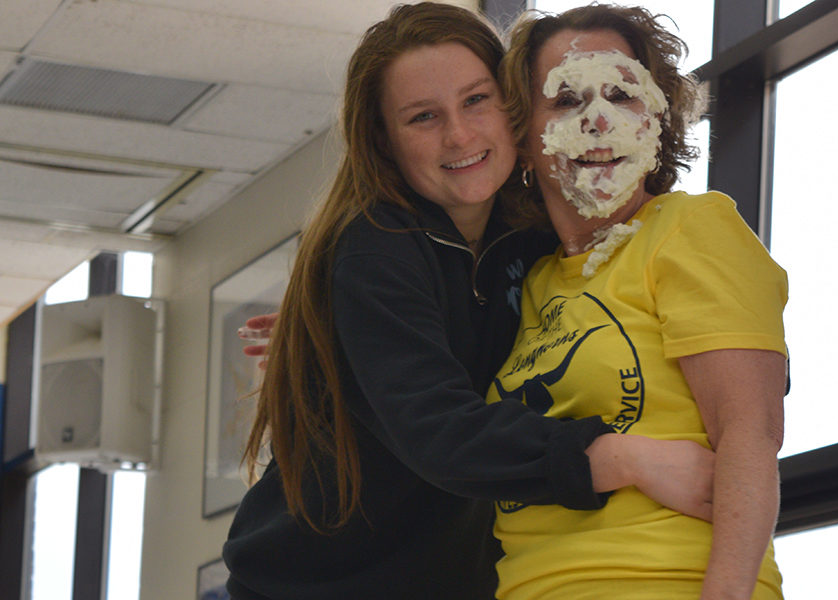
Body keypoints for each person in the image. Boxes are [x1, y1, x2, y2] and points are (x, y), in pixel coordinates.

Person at [223, 4, 715, 599]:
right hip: (310, 585)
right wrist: (621, 460)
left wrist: (725, 340)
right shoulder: (373, 249)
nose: (458, 135)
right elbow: (441, 434)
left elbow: (628, 307)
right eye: (423, 117)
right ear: (384, 139)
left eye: (476, 100)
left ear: (516, 107)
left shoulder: (534, 236)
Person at [486, 4, 788, 599]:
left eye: (622, 95)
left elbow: (750, 433)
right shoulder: (535, 279)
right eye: (568, 101)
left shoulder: (692, 227)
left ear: (658, 116)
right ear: (523, 139)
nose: (599, 121)